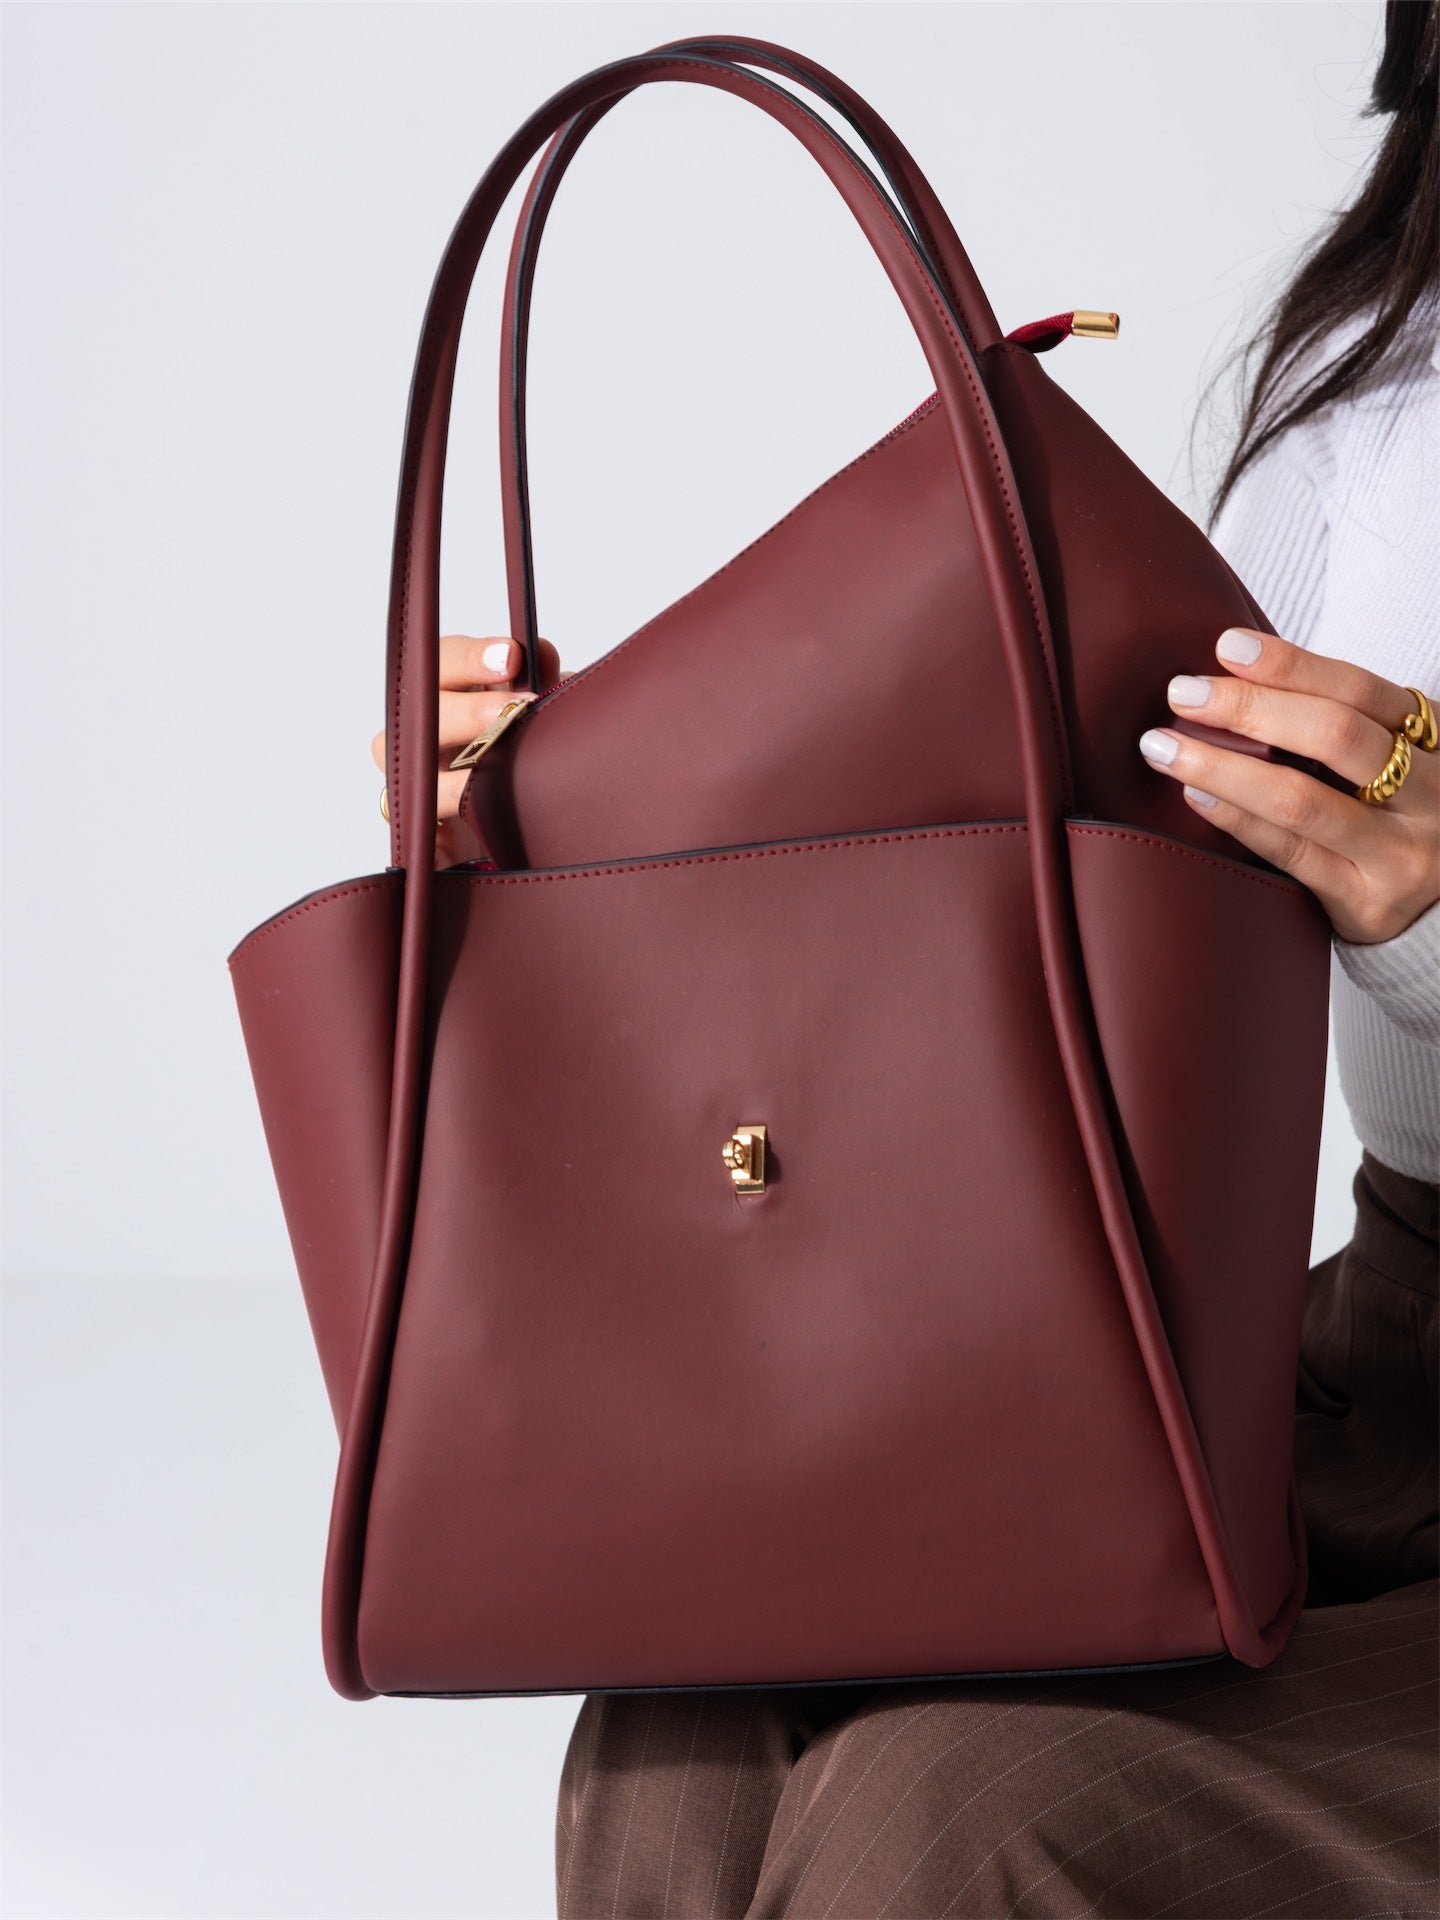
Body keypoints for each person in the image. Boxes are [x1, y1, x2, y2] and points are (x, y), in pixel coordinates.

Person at [373, 7, 1438, 1912]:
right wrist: (556, 840)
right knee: (698, 1703)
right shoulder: (1370, 389)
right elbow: (1109, 890)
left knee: (952, 1810)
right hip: (1376, 1352)